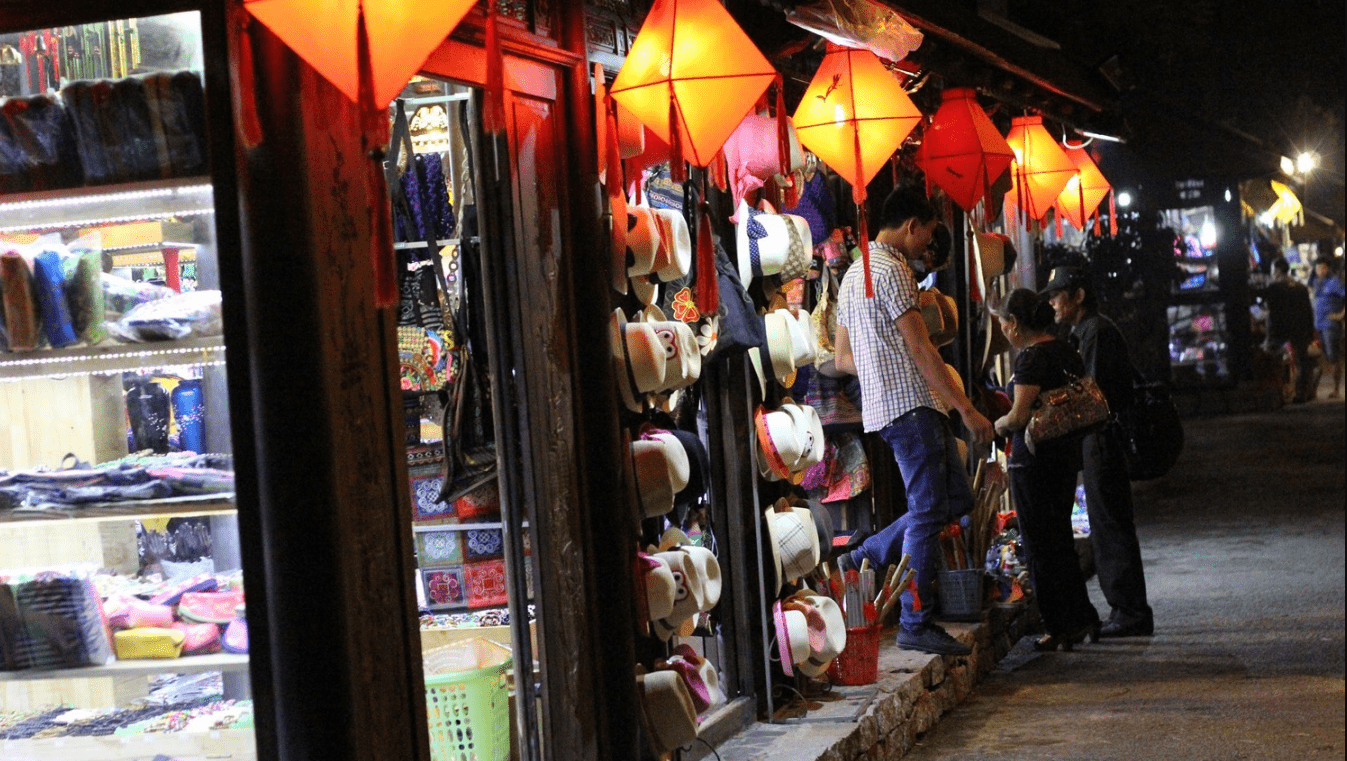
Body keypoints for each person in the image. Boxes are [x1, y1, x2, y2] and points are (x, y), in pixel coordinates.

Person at [832, 187, 994, 656]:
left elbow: (843, 358)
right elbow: (922, 349)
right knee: (929, 513)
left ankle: (868, 553)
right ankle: (915, 621)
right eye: (927, 235)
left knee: (954, 499)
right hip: (914, 407)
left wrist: (881, 364)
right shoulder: (894, 270)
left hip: (887, 410)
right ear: (911, 225)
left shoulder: (851, 275)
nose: (927, 247)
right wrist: (965, 407)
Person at [1042, 266, 1154, 637]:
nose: (1053, 303)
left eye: (1059, 294)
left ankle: (1130, 611)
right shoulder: (1087, 331)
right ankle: (1126, 609)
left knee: (1110, 524)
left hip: (1103, 438)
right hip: (1097, 439)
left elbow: (1092, 397)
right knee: (1107, 522)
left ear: (1078, 296)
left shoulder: (1096, 332)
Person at [991, 288, 1101, 651]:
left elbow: (1020, 415)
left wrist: (999, 424)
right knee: (1060, 540)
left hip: (1034, 460)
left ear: (1016, 323)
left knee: (1040, 545)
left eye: (1005, 323)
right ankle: (1082, 617)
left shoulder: (1031, 358)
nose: (1004, 330)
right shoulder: (1066, 349)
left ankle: (1058, 626)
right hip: (1065, 455)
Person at [1263, 257, 1317, 403]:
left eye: (1273, 270)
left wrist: (1269, 335)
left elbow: (1271, 314)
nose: (1272, 273)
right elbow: (1308, 312)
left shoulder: (1273, 288)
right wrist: (1310, 333)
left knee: (1276, 363)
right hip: (1299, 331)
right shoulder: (1301, 288)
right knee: (1301, 363)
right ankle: (1300, 394)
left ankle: (1280, 394)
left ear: (1278, 270)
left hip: (1280, 332)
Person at [1310, 255, 1345, 399]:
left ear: (1328, 268)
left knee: (1333, 357)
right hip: (1319, 325)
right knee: (1324, 357)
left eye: (1323, 268)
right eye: (1318, 268)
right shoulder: (1317, 282)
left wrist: (1341, 315)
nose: (1320, 270)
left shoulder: (1334, 282)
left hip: (1330, 326)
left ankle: (1336, 389)